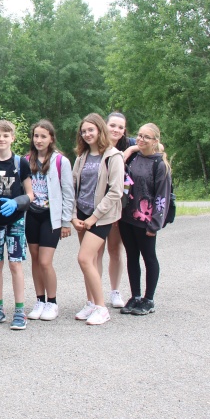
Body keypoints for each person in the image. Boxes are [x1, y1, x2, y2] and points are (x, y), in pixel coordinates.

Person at [0, 120, 33, 330]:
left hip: (15, 220)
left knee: (15, 264)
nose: (1, 139)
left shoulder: (21, 163)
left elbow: (30, 194)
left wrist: (17, 202)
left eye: (5, 135)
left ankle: (19, 311)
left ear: (13, 138)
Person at [71, 113, 124, 326]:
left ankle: (102, 308)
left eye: (91, 130)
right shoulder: (81, 157)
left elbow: (116, 191)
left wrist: (94, 217)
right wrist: (73, 216)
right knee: (90, 261)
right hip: (82, 215)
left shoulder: (113, 156)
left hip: (101, 217)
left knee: (84, 258)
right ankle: (91, 303)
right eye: (84, 131)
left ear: (100, 130)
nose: (87, 134)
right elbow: (73, 187)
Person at [118, 123, 172, 315]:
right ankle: (135, 296)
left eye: (146, 137)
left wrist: (155, 224)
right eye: (139, 136)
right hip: (127, 217)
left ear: (155, 141)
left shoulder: (160, 164)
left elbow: (162, 197)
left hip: (146, 221)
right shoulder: (134, 157)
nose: (141, 139)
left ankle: (149, 299)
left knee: (149, 257)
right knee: (132, 256)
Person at [24, 120, 74, 322]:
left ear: (51, 138)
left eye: (43, 136)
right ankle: (40, 300)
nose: (39, 140)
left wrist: (66, 222)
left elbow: (68, 193)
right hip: (31, 215)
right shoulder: (26, 160)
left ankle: (52, 302)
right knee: (35, 259)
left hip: (50, 217)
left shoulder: (61, 161)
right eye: (36, 136)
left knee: (45, 261)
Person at [102, 111, 138, 308]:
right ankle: (94, 295)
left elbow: (158, 146)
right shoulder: (97, 144)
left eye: (120, 127)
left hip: (119, 207)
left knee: (115, 249)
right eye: (112, 125)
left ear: (124, 130)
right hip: (98, 207)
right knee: (95, 253)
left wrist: (130, 150)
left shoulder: (128, 144)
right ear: (105, 125)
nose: (116, 130)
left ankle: (115, 292)